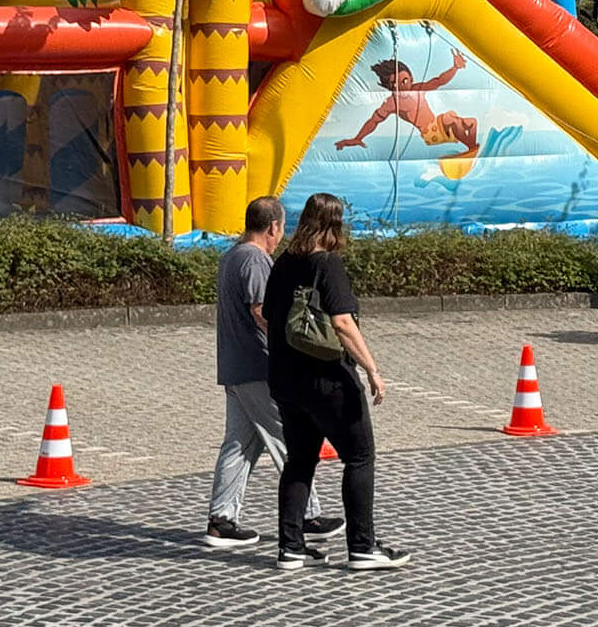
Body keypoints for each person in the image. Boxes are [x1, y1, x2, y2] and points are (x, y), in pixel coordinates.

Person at [262, 193, 411, 571]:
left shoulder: (283, 264)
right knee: (359, 457)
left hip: (284, 379)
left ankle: (290, 547)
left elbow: (266, 313)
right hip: (327, 381)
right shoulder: (326, 264)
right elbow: (343, 323)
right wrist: (372, 369)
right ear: (335, 225)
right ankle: (362, 546)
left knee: (299, 460)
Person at [204, 196, 339, 550]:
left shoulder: (231, 255)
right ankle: (308, 514)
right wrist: (294, 347)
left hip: (234, 367)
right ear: (273, 227)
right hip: (258, 367)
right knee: (291, 439)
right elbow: (263, 311)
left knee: (239, 444)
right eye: (281, 229)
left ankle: (221, 520)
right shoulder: (255, 259)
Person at [336, 53, 478, 157]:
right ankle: (471, 147)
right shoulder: (392, 102)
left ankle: (471, 150)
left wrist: (455, 68)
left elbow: (439, 81)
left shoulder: (418, 89)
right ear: (389, 87)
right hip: (430, 133)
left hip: (440, 126)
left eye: (404, 81)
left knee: (471, 122)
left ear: (411, 78)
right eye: (395, 84)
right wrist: (358, 138)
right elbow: (374, 121)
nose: (401, 86)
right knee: (450, 119)